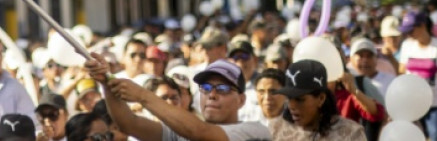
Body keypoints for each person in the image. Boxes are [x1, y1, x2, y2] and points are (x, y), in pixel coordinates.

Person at [86, 54, 270, 141]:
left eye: (222, 89)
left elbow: (200, 133)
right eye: (206, 88)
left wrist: (142, 95)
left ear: (241, 100)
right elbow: (129, 124)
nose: (212, 95)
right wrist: (106, 83)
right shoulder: (179, 132)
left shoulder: (255, 132)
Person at [398, 11, 437, 141]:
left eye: (411, 30)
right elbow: (401, 73)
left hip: (436, 102)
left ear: (423, 25)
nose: (409, 34)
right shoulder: (406, 46)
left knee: (436, 136)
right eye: (406, 31)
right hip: (413, 103)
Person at [269, 60, 365, 141]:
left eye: (300, 100)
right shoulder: (275, 129)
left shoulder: (351, 133)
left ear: (321, 98)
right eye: (289, 98)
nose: (292, 106)